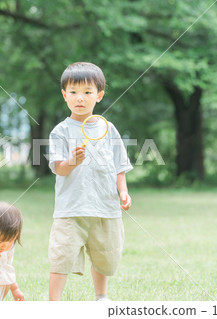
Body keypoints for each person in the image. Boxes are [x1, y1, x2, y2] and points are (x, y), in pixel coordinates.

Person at [48, 62, 133, 301]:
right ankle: (53, 303)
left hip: (105, 206)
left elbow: (119, 167)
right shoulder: (60, 131)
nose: (80, 98)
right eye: (73, 92)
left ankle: (101, 297)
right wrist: (72, 161)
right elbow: (60, 169)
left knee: (104, 254)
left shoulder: (109, 129)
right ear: (64, 95)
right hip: (70, 209)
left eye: (87, 92)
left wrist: (123, 192)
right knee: (61, 255)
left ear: (99, 95)